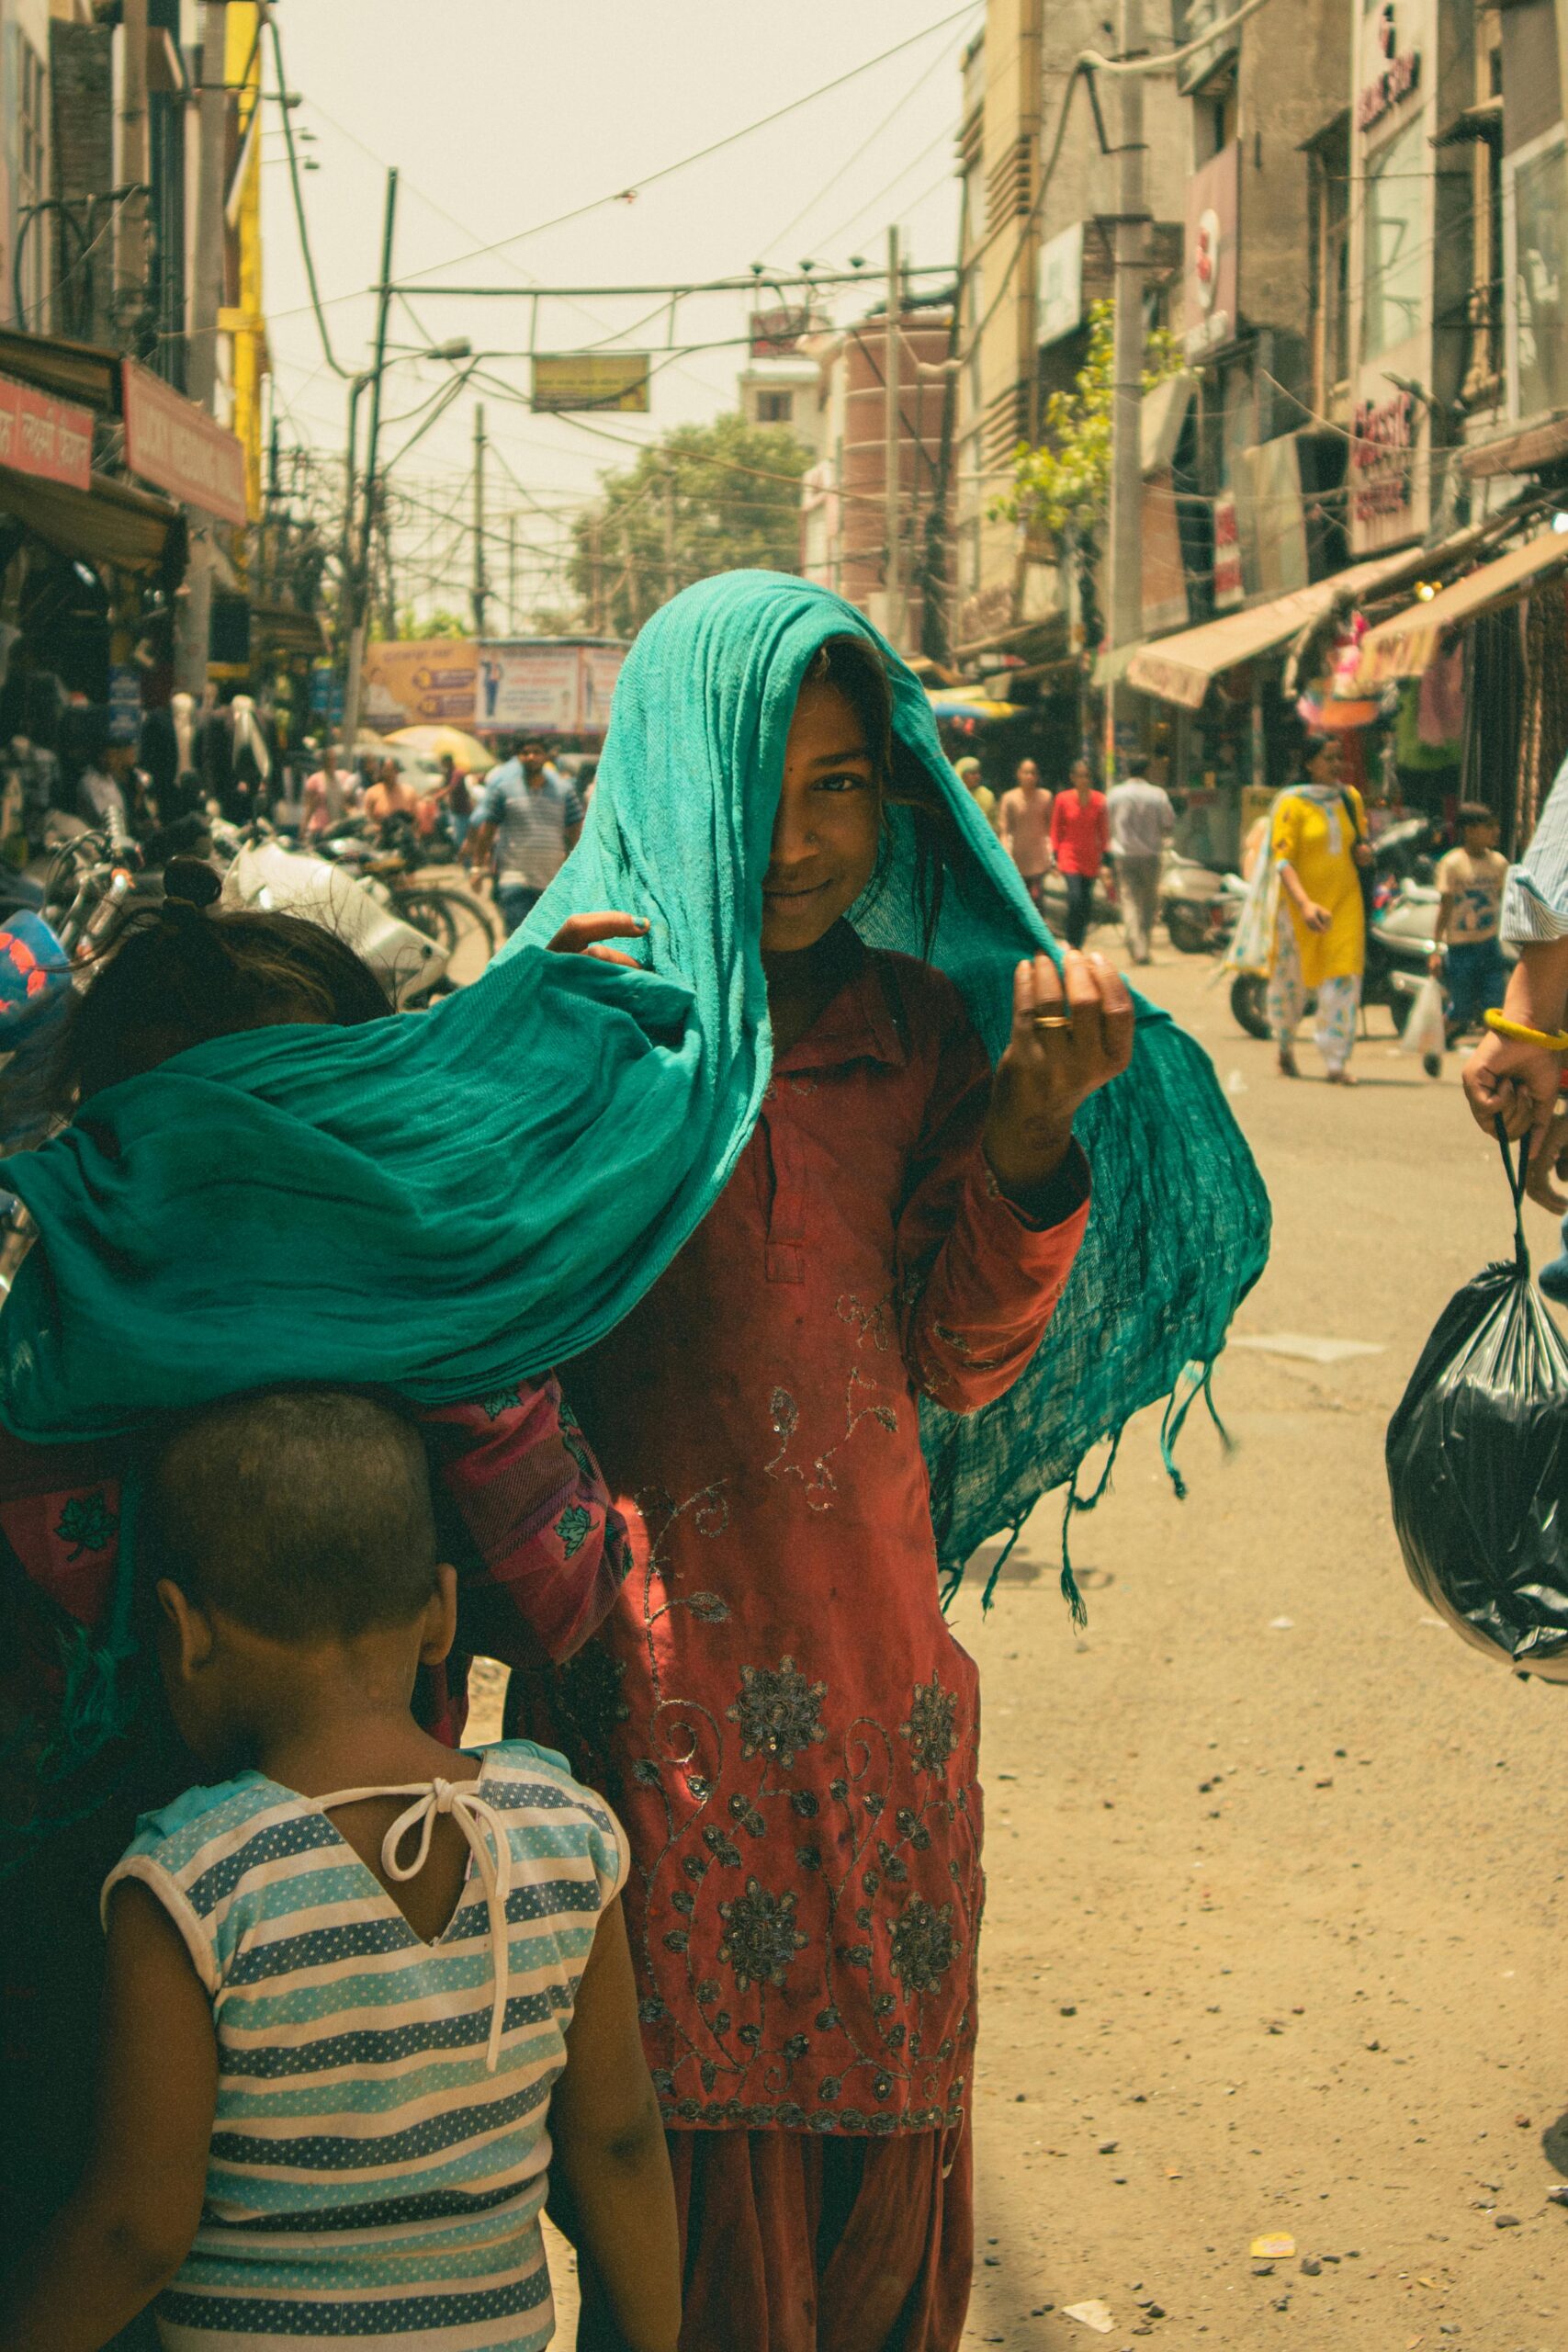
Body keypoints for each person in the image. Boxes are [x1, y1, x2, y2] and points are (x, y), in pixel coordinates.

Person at [515, 628, 1134, 2352]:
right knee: (662, 2180)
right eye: (754, 791)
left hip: (877, 1706)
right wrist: (539, 1067)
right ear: (664, 783)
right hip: (647, 1707)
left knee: (878, 2169)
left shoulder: (920, 1030)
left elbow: (956, 1362)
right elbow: (475, 1329)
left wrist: (1024, 1130)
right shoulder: (577, 1002)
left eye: (843, 789)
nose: (797, 843)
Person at [0, 888, 634, 2334]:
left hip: (180, 1954)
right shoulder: (450, 1346)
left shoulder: (56, 1362)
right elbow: (570, 1591)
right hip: (334, 1947)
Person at [0, 1387, 682, 2352]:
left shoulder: (193, 1886)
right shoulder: (565, 1836)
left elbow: (135, 2232)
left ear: (182, 1630)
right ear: (439, 1611)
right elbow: (616, 2142)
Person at [1266, 732, 1371, 1084]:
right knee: (1291, 983)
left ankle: (1335, 1061)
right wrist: (1305, 904)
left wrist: (1364, 854)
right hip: (1299, 908)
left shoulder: (1349, 798)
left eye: (1338, 757)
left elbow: (1359, 842)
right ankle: (1284, 1045)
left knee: (1343, 978)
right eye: (1328, 758)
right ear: (1309, 763)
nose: (1336, 764)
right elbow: (1282, 861)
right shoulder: (1290, 803)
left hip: (1345, 901)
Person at [468, 735, 585, 934]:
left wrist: (580, 871)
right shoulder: (504, 791)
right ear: (518, 757)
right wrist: (477, 867)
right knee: (518, 939)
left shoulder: (565, 792)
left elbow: (576, 833)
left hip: (552, 882)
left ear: (546, 756)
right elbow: (487, 831)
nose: (531, 757)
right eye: (525, 753)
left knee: (549, 942)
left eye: (536, 752)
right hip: (514, 879)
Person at [1429, 801, 1508, 1042]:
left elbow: (1506, 904)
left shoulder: (1499, 864)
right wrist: (1434, 949)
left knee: (1494, 1011)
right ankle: (1436, 1044)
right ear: (1470, 830)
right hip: (1461, 949)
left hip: (1489, 946)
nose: (1496, 833)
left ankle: (1489, 1063)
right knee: (1461, 1009)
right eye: (1489, 827)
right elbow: (1445, 908)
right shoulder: (1452, 863)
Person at [1106, 751, 1174, 966]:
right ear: (1147, 770)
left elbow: (1106, 822)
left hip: (1124, 854)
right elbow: (1169, 823)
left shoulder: (1115, 794)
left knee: (1129, 900)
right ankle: (1143, 945)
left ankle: (1137, 948)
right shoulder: (1158, 794)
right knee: (1148, 903)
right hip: (1151, 855)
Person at [1049, 754, 1111, 951]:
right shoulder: (1062, 799)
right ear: (1073, 778)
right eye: (1080, 776)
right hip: (1069, 856)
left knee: (1085, 902)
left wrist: (1106, 859)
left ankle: (1078, 943)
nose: (1084, 780)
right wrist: (1055, 854)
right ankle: (1070, 938)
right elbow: (1056, 829)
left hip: (1090, 857)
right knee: (1074, 898)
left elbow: (1103, 831)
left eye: (1087, 776)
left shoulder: (1100, 800)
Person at [998, 754, 1052, 907]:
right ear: (1019, 774)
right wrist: (1006, 852)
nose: (1030, 776)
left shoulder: (1046, 797)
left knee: (1038, 903)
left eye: (1033, 773)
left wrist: (1051, 854)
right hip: (1017, 858)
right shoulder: (1009, 798)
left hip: (1039, 859)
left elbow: (1050, 828)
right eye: (1026, 772)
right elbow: (1005, 829)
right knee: (1019, 902)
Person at [953, 752, 996, 830]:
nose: (978, 776)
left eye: (978, 773)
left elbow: (994, 823)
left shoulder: (986, 795)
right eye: (973, 773)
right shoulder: (953, 795)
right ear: (961, 774)